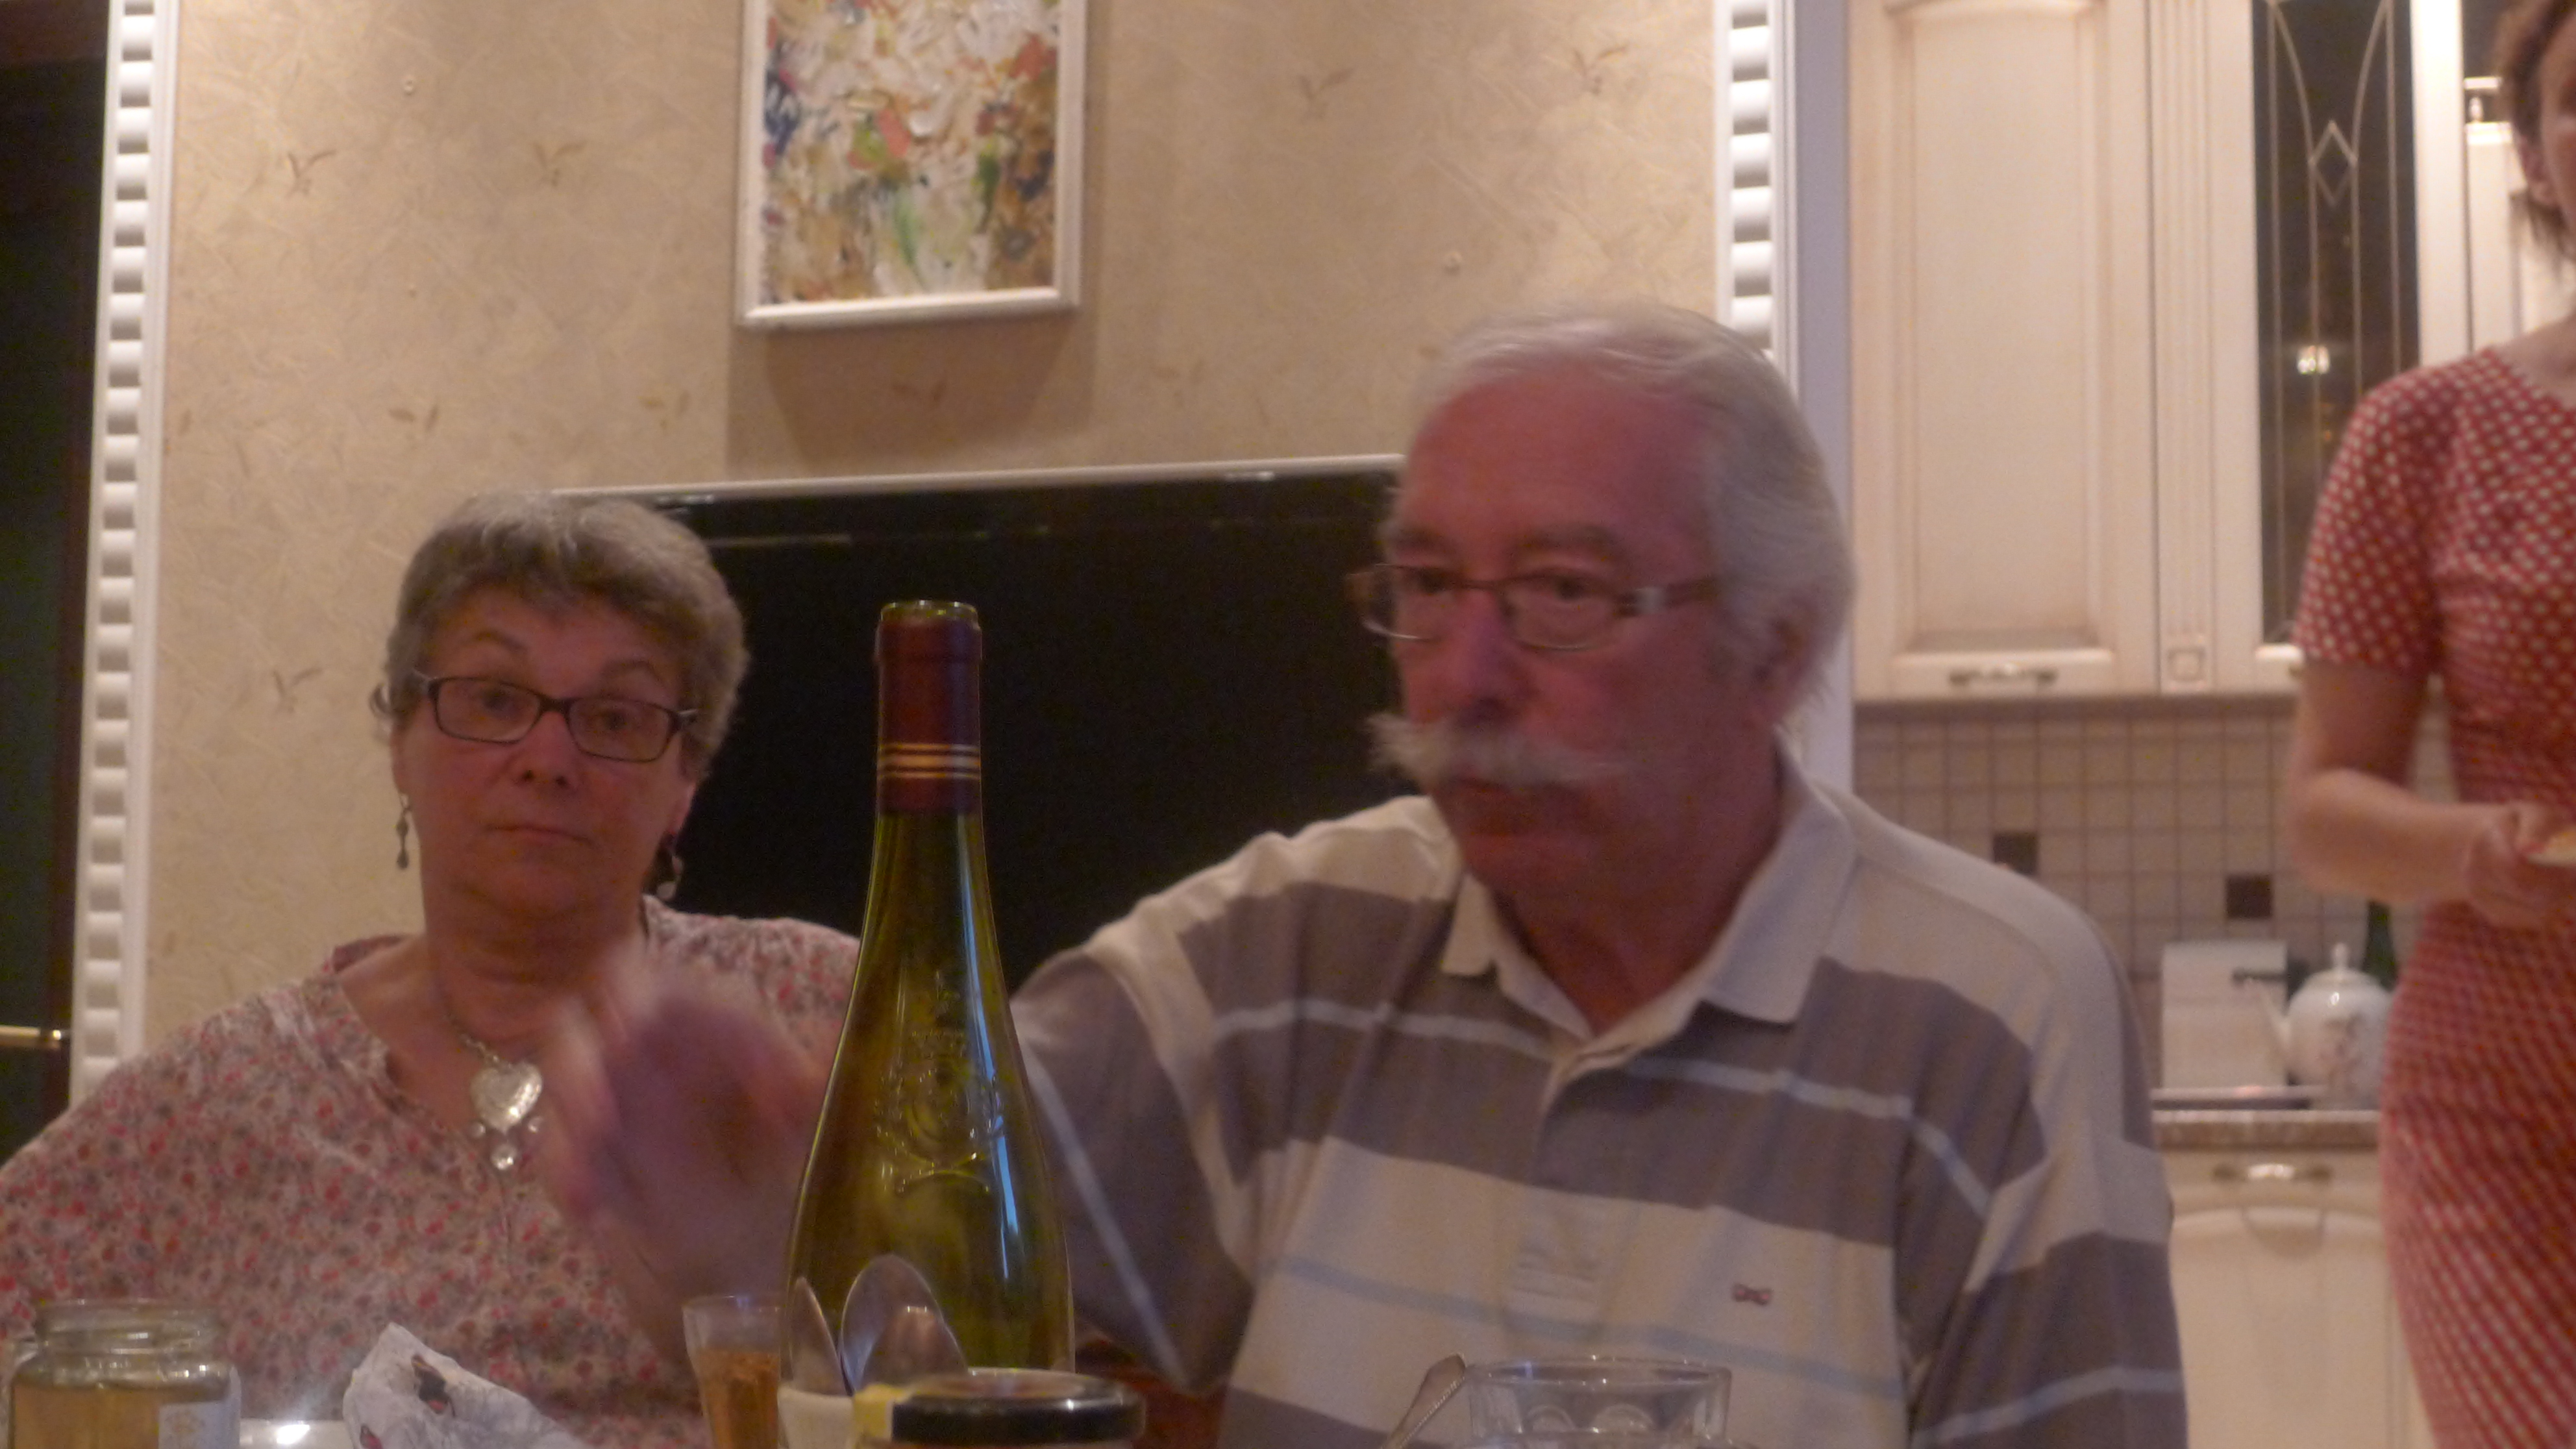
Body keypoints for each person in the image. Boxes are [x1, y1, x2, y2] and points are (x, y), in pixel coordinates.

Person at [1006, 300, 2183, 1449]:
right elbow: (933, 1178)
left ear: (1775, 649)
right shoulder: (1297, 943)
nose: (1462, 677)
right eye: (1428, 584)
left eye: (1564, 591)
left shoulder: (1990, 1016)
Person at [0, 493, 856, 1446]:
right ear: (400, 743)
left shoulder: (823, 1007)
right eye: (494, 700)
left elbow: (975, 1360)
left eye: (615, 717)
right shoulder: (220, 1093)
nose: (547, 758)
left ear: (685, 783)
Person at [2281, 2, 2576, 1441]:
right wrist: (2469, 850)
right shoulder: (2423, 433)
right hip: (2510, 1132)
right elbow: (2324, 807)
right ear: (2533, 155)